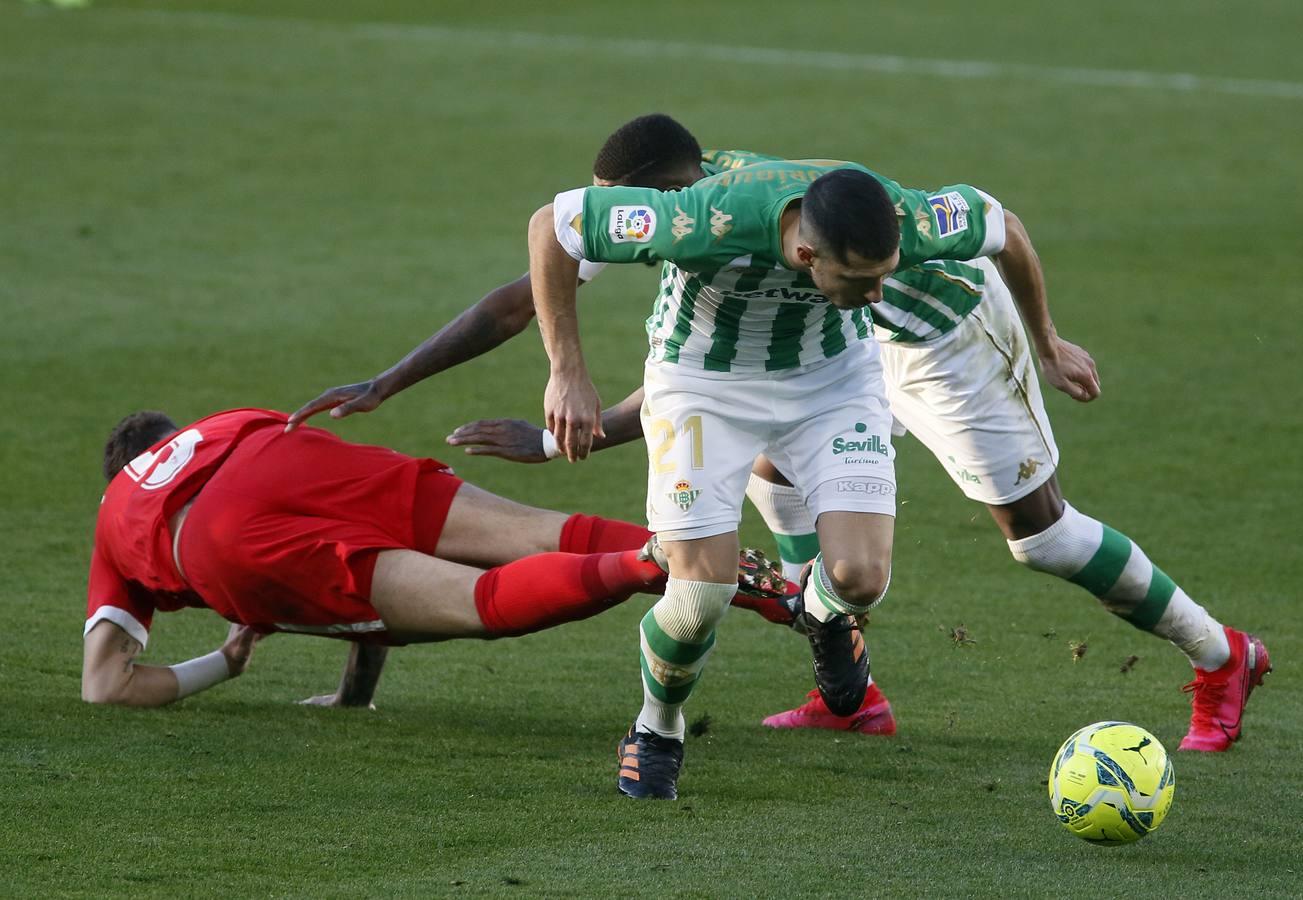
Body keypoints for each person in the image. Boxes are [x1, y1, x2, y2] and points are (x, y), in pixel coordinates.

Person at [450, 118, 1270, 756]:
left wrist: (1048, 343)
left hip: (947, 341)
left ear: (665, 187)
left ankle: (1221, 653)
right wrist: (394, 385)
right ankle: (843, 677)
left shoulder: (790, 218)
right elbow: (671, 361)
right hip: (842, 345)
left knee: (1042, 538)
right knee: (775, 452)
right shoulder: (702, 205)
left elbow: (1003, 224)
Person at [529, 143, 1032, 799]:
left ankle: (815, 612)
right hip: (703, 386)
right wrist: (566, 369)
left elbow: (1004, 227)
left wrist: (1047, 347)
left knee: (859, 581)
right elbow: (554, 225)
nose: (878, 294)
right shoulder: (701, 220)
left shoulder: (903, 215)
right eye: (861, 281)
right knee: (699, 598)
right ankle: (657, 726)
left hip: (832, 384)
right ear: (804, 256)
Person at [82, 408, 787, 707]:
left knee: (473, 602)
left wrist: (223, 664)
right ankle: (787, 591)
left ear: (122, 477)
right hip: (279, 454)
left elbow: (105, 685)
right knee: (545, 531)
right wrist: (355, 694)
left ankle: (647, 562)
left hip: (220, 541)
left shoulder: (120, 514)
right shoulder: (217, 425)